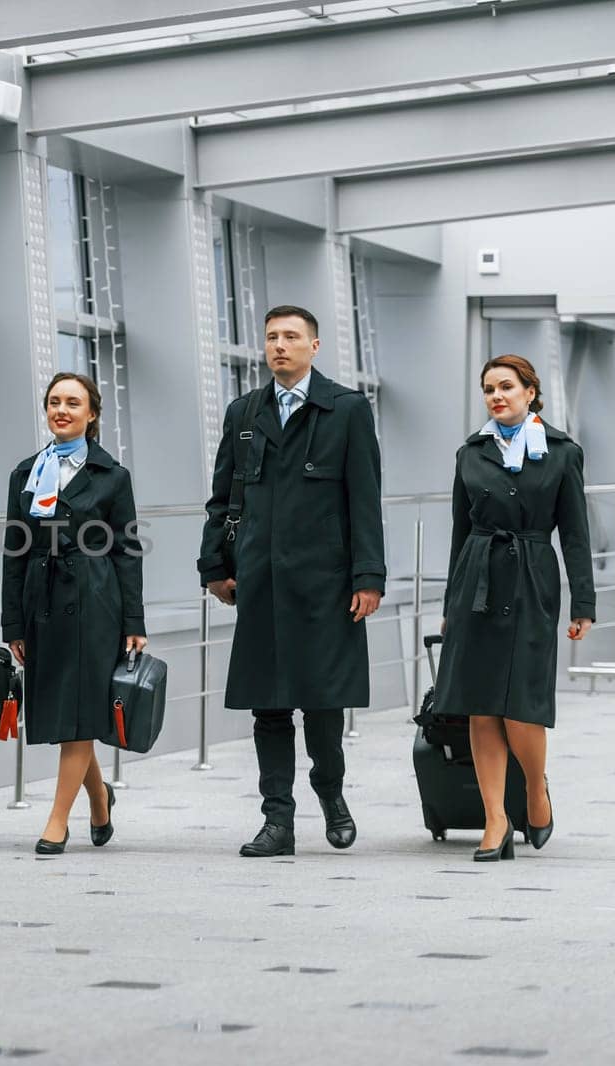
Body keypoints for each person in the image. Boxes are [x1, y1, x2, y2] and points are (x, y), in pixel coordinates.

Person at [198, 305, 385, 858]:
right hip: (261, 582)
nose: (280, 346)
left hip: (326, 585)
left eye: (292, 337)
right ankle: (277, 820)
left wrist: (368, 576)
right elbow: (223, 496)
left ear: (314, 346)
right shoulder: (244, 412)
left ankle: (332, 795)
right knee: (269, 707)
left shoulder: (347, 410)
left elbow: (364, 500)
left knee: (323, 704)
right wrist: (215, 566)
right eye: (272, 337)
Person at [437, 354, 593, 861]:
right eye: (488, 389)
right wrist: (449, 604)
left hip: (532, 580)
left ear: (530, 392)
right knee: (482, 706)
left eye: (506, 386)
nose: (496, 396)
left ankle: (533, 789)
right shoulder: (470, 453)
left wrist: (583, 602)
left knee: (522, 706)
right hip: (477, 584)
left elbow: (574, 533)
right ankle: (495, 821)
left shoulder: (563, 453)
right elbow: (460, 533)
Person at [3, 372, 145, 855]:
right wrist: (12, 622)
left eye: (72, 403)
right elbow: (14, 549)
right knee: (65, 710)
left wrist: (134, 623)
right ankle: (99, 801)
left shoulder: (112, 475)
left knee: (81, 713)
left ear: (92, 414)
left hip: (94, 600)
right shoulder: (26, 472)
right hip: (40, 600)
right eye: (54, 402)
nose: (61, 410)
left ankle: (57, 820)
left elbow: (127, 550)